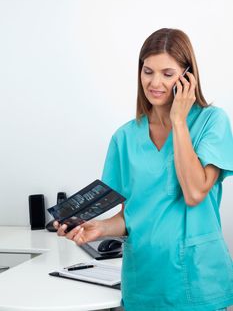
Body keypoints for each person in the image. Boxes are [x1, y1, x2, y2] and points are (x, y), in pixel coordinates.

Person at [54, 28, 233, 311]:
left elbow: (195, 192)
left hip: (198, 279)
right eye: (148, 71)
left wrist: (179, 122)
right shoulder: (124, 138)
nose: (155, 82)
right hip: (144, 283)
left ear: (187, 77)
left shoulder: (212, 122)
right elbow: (130, 217)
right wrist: (98, 228)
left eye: (167, 73)